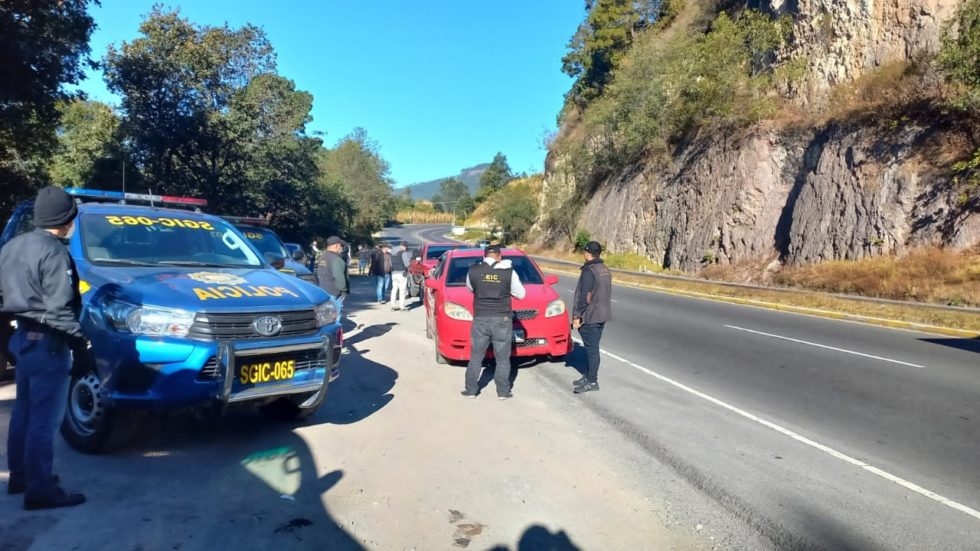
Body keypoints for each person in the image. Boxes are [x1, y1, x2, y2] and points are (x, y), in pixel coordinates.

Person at [0, 186, 87, 510]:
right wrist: (81, 345)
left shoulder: (12, 246)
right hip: (48, 343)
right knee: (44, 421)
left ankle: (21, 477)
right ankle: (40, 490)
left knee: (23, 412)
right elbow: (60, 310)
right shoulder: (54, 252)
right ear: (65, 218)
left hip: (22, 338)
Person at [462, 245, 525, 400]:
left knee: (476, 357)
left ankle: (471, 390)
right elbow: (521, 294)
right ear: (499, 256)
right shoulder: (509, 272)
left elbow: (470, 289)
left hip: (481, 319)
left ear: (484, 256)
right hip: (502, 320)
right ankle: (503, 392)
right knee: (502, 359)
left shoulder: (473, 271)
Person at [571, 241, 612, 394]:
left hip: (590, 316)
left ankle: (592, 381)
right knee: (592, 348)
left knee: (592, 350)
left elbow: (585, 296)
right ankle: (588, 376)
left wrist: (577, 316)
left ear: (588, 253)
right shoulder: (605, 269)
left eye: (585, 251)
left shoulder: (589, 271)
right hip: (602, 314)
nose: (584, 253)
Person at [317, 236, 350, 303]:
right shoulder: (336, 259)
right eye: (341, 246)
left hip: (323, 291)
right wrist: (344, 291)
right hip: (334, 293)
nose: (341, 248)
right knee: (336, 309)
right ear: (336, 246)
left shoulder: (322, 257)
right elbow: (339, 276)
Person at [389, 242, 412, 311]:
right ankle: (402, 306)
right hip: (402, 273)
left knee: (394, 289)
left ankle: (393, 305)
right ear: (403, 246)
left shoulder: (392, 253)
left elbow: (390, 264)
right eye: (406, 247)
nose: (406, 249)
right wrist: (409, 262)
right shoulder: (402, 253)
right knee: (402, 290)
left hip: (394, 273)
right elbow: (407, 264)